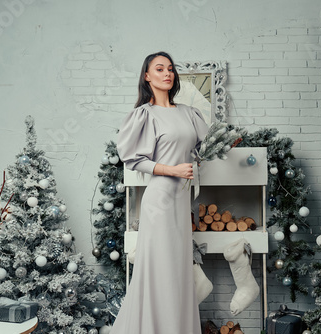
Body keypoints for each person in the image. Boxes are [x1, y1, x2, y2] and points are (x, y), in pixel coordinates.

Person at [112, 51, 208, 334]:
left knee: (178, 272)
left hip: (181, 202)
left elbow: (205, 147)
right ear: (147, 76)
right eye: (159, 69)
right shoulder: (144, 115)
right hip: (159, 201)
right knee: (161, 271)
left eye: (170, 69)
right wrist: (174, 170)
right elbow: (134, 159)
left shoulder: (189, 113)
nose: (167, 73)